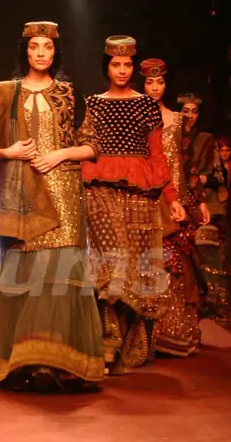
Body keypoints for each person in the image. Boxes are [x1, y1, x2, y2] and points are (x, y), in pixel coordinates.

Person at [0, 21, 104, 392]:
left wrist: (59, 154)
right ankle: (24, 361)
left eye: (48, 48)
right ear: (24, 52)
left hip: (65, 194)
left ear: (56, 53)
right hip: (21, 197)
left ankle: (56, 364)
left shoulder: (71, 95)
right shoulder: (5, 94)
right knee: (25, 277)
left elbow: (91, 146)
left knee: (58, 279)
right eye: (34, 47)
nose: (41, 54)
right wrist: (8, 152)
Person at [83, 36, 186, 374]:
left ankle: (131, 340)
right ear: (106, 66)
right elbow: (83, 148)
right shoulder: (92, 104)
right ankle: (108, 337)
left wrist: (172, 199)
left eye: (128, 64)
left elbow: (157, 155)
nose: (123, 70)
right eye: (116, 64)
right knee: (111, 263)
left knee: (139, 268)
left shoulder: (145, 105)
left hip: (141, 193)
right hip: (99, 188)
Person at [140, 59, 207, 357]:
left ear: (167, 85)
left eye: (160, 83)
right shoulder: (134, 117)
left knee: (175, 264)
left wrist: (199, 199)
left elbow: (187, 163)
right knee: (147, 262)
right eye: (150, 83)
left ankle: (175, 332)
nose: (155, 88)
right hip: (145, 195)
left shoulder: (178, 120)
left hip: (176, 198)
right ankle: (144, 332)